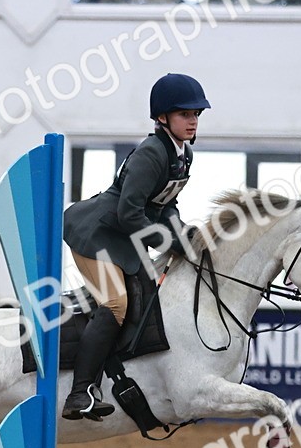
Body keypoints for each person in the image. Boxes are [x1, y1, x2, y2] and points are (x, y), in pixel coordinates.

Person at [60, 73, 209, 421]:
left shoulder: (183, 155)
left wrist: (184, 234)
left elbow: (165, 206)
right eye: (185, 114)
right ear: (162, 118)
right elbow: (130, 214)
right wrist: (169, 241)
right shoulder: (151, 154)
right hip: (95, 234)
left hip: (123, 239)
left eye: (196, 114)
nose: (193, 121)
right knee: (116, 303)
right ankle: (79, 394)